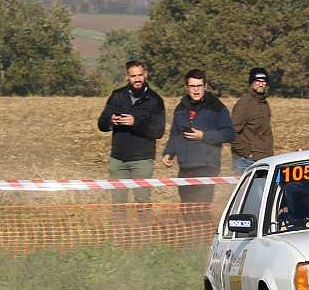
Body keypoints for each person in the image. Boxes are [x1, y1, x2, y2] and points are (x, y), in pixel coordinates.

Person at [96, 60, 166, 201]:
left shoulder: (155, 100)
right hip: (118, 159)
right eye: (133, 76)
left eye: (140, 75)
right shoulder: (117, 96)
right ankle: (121, 224)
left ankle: (143, 223)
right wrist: (111, 121)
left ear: (146, 75)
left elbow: (158, 131)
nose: (137, 79)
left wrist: (135, 123)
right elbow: (101, 124)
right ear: (127, 77)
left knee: (142, 201)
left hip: (142, 160)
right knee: (118, 202)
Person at [161, 70, 235, 203]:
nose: (196, 90)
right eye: (192, 86)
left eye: (199, 86)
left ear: (205, 86)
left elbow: (229, 133)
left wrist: (204, 136)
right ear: (186, 87)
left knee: (201, 207)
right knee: (186, 207)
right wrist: (169, 152)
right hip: (185, 166)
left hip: (207, 166)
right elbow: (175, 133)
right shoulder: (180, 107)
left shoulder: (217, 107)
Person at [231, 67, 274, 174]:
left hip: (264, 158)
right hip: (247, 161)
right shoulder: (244, 103)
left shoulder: (264, 103)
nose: (261, 84)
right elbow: (231, 131)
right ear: (251, 83)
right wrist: (246, 152)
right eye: (257, 81)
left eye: (264, 81)